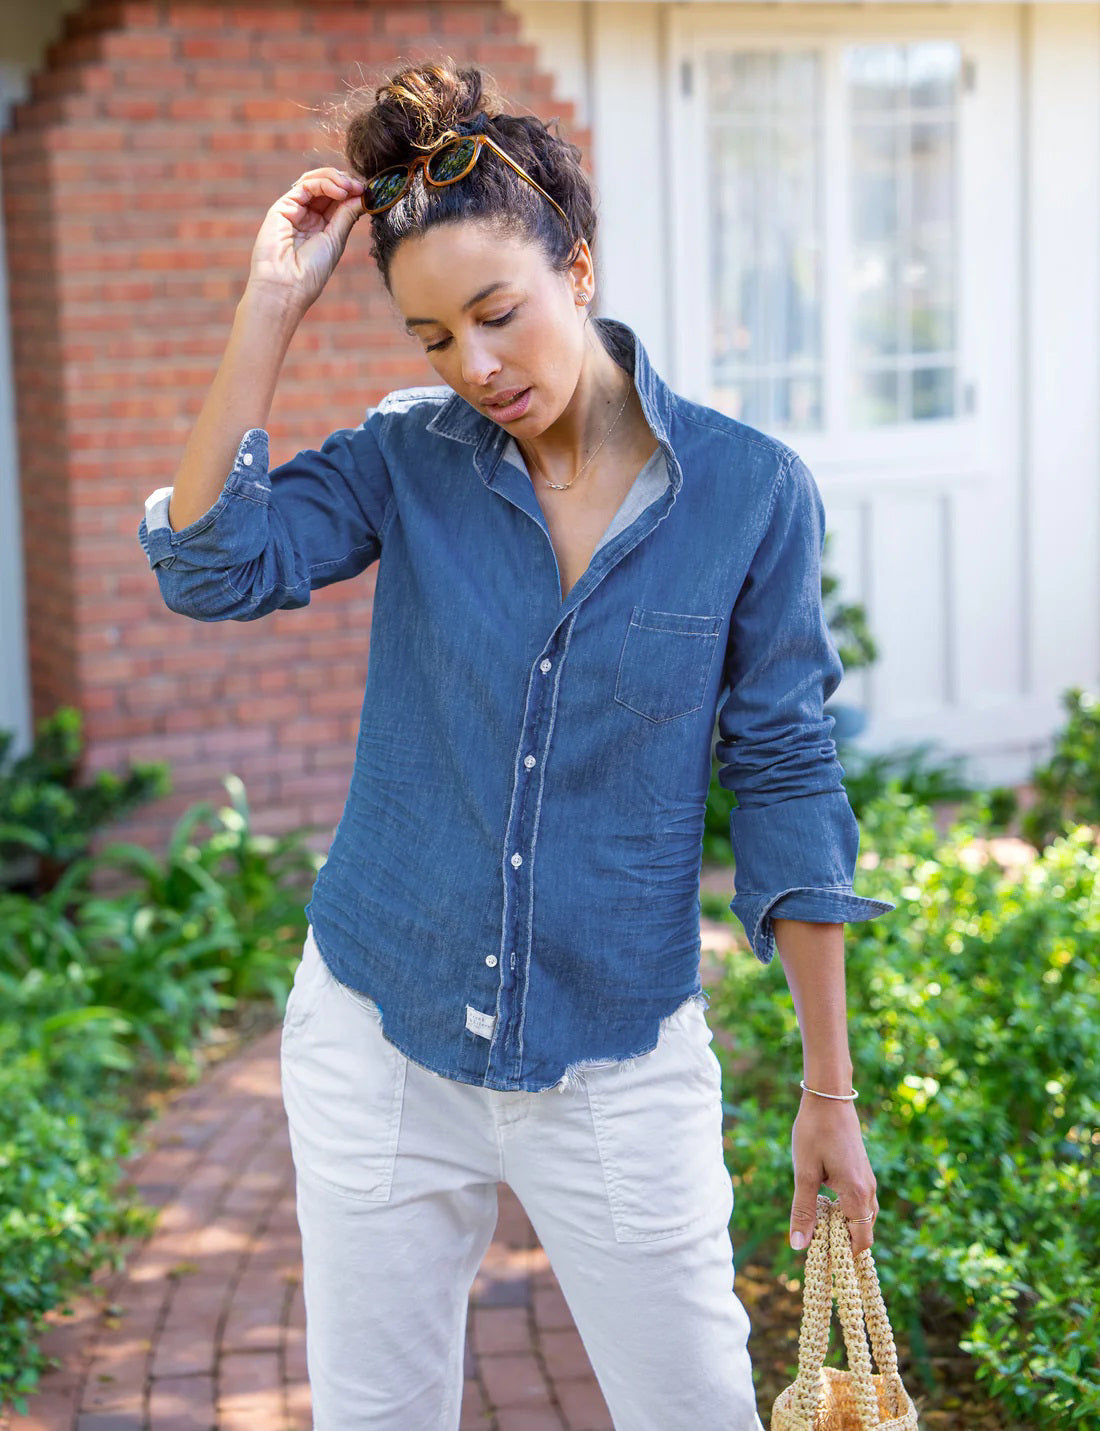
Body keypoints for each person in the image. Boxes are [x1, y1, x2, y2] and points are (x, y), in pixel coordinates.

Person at [137, 58, 895, 1431]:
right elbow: (208, 566)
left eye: (498, 314)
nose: (474, 366)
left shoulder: (746, 493)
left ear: (580, 267)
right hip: (379, 1035)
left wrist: (828, 1093)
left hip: (614, 1062)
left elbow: (787, 774)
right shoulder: (408, 458)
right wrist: (272, 303)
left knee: (701, 1413)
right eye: (432, 338)